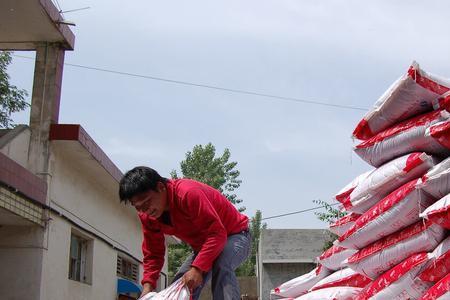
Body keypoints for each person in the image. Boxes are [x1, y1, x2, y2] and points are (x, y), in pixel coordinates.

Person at [119, 166, 251, 300]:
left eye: (147, 202)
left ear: (160, 187)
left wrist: (197, 268)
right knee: (179, 288)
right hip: (204, 246)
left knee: (221, 265)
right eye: (139, 207)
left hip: (235, 235)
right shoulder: (147, 216)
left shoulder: (188, 193)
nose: (146, 210)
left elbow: (217, 234)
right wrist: (148, 287)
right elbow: (153, 253)